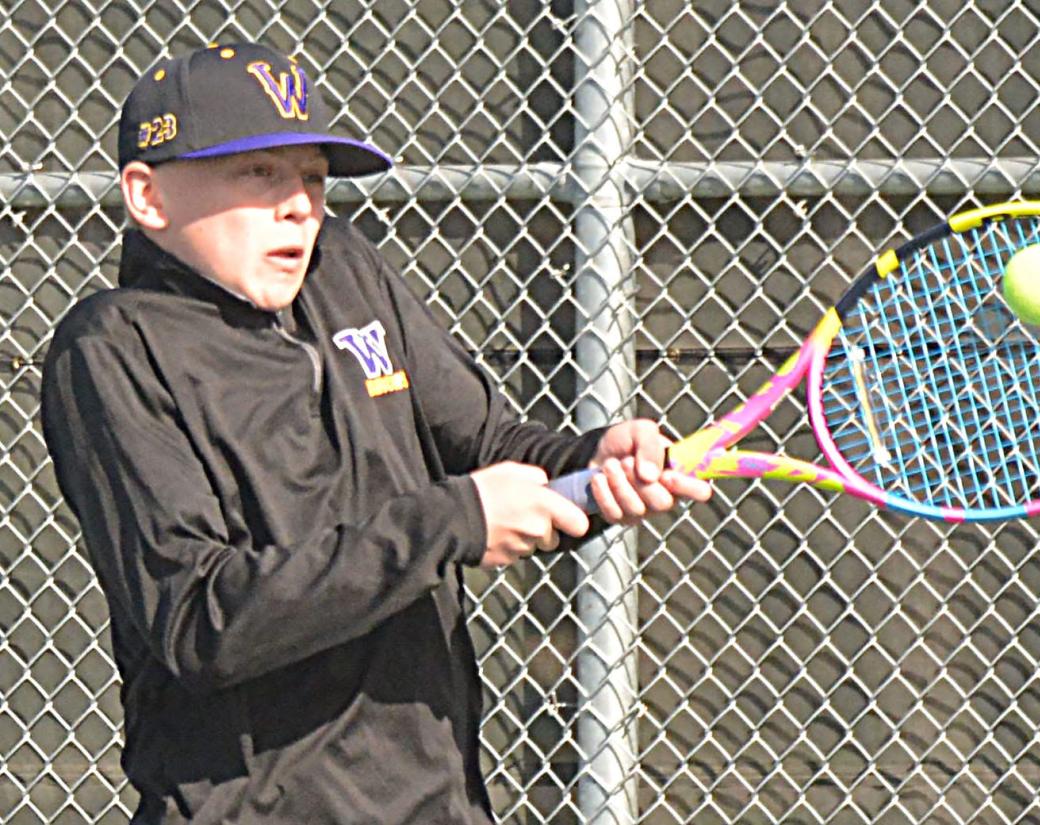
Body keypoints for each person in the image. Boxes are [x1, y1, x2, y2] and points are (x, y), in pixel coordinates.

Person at [40, 42, 710, 824]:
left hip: (439, 801)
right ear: (148, 197)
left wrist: (593, 463)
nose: (299, 205)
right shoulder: (112, 348)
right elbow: (198, 620)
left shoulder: (344, 271)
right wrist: (452, 521)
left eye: (313, 177)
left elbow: (486, 442)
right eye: (258, 173)